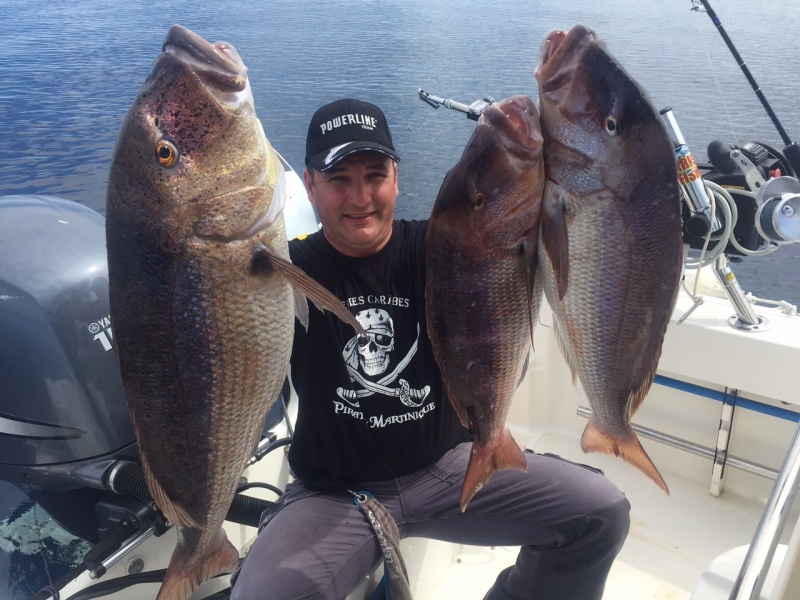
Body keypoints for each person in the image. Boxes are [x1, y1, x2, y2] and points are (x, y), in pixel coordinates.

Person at [230, 98, 631, 600]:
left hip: (450, 465)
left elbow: (539, 216)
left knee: (599, 514)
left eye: (374, 175)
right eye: (339, 180)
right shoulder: (283, 275)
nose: (360, 197)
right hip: (334, 492)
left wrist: (546, 141)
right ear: (309, 186)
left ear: (396, 177)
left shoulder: (449, 246)